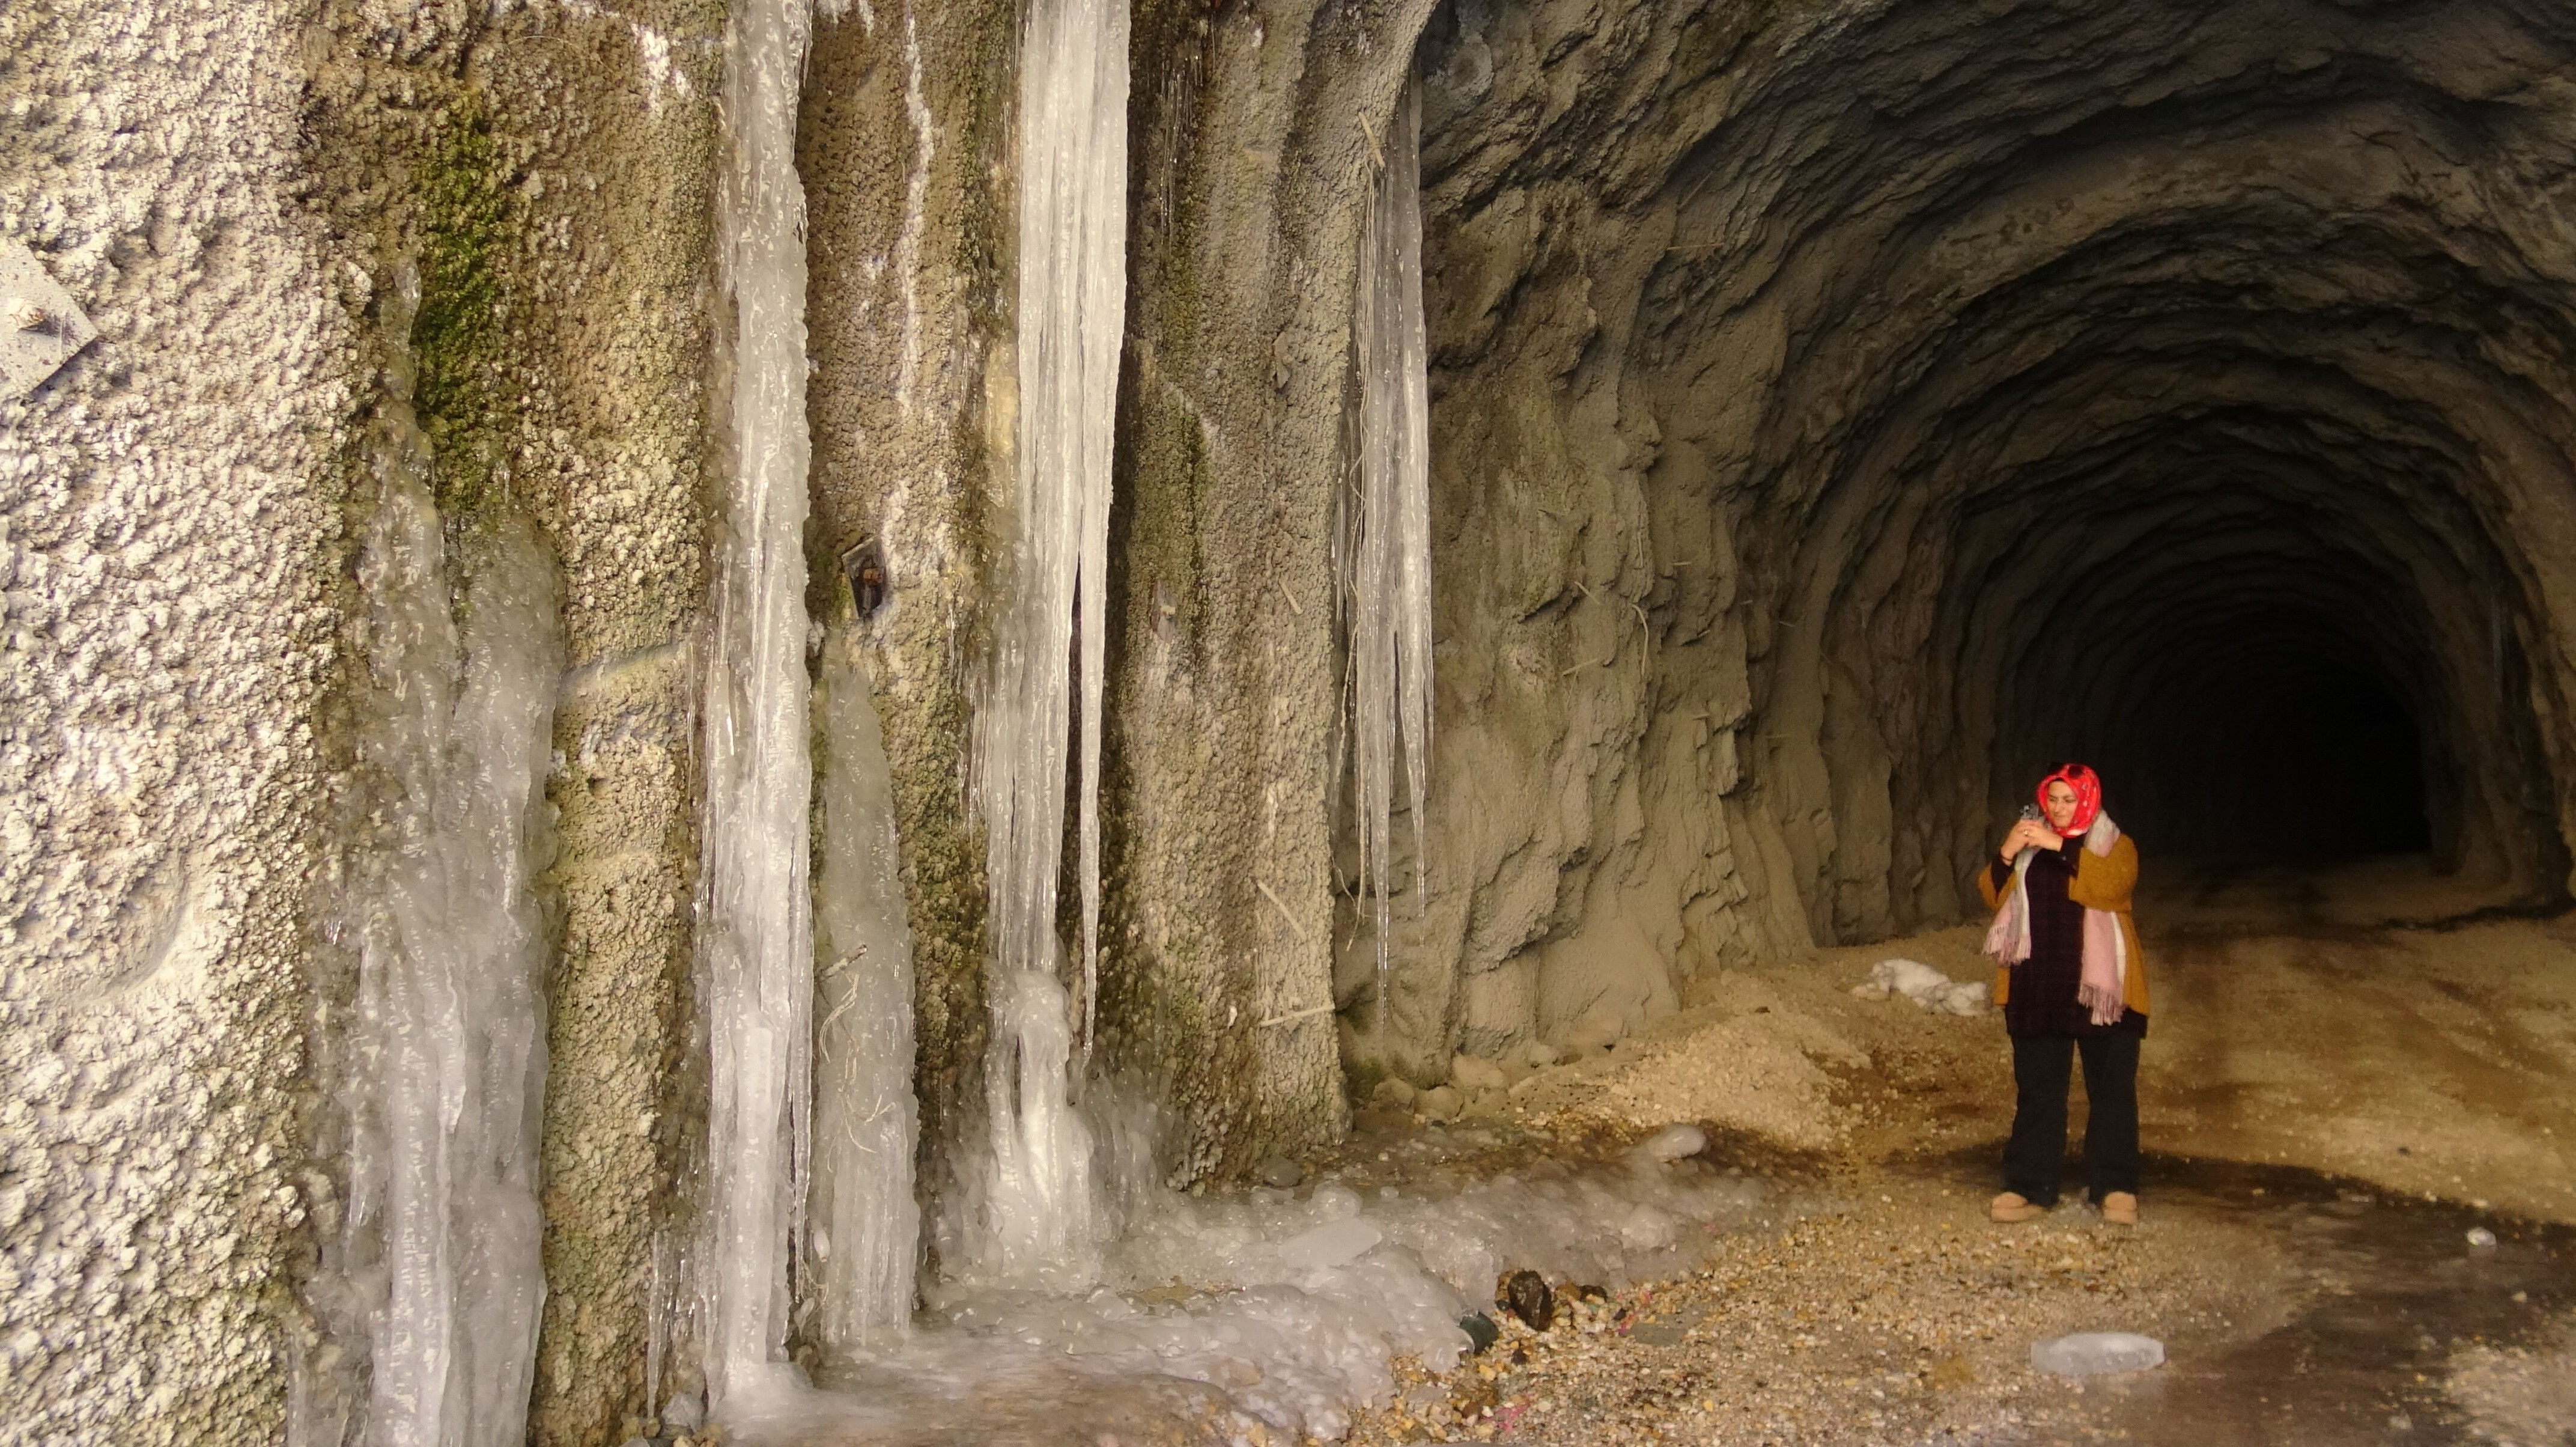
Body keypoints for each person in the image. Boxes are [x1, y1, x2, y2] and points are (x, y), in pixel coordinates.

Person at [1977, 763, 2150, 1225]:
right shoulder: (2029, 847)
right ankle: (2030, 1186)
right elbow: (1994, 894)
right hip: (2038, 984)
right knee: (2038, 1091)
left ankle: (2114, 1185)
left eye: (2068, 800)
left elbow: (2113, 888)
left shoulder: (2115, 844)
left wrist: (2061, 845)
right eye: (2052, 799)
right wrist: (2009, 852)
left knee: (2111, 1090)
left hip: (2101, 988)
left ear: (2088, 800)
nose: (2057, 808)